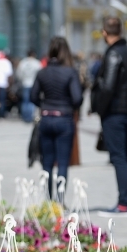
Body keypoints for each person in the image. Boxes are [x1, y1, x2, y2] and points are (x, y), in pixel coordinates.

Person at [91, 16, 127, 217]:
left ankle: (123, 205)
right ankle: (126, 201)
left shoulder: (113, 55)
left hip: (114, 112)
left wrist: (99, 107)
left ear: (104, 32)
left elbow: (108, 86)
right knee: (126, 157)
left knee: (119, 157)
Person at [30, 37, 82, 200]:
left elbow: (32, 96)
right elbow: (77, 98)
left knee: (47, 163)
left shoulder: (42, 72)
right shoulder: (70, 72)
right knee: (63, 163)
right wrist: (68, 107)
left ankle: (47, 200)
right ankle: (59, 201)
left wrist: (44, 105)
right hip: (64, 118)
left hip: (46, 118)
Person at [16, 50, 42, 123]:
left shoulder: (23, 63)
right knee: (32, 101)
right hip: (34, 84)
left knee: (25, 101)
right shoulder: (37, 63)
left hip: (25, 83)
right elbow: (40, 74)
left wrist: (22, 80)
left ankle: (25, 117)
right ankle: (30, 117)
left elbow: (19, 74)